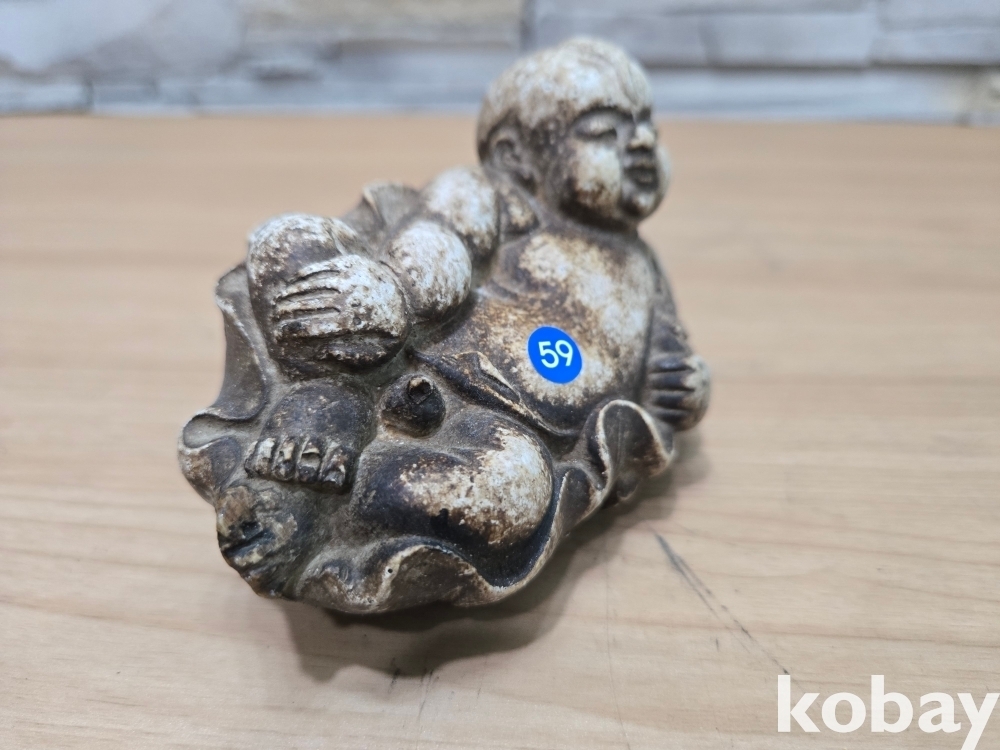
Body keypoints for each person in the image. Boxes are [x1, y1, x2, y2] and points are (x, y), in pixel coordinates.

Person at [182, 37, 710, 612]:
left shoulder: (643, 266)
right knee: (289, 240)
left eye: (647, 127)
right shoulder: (492, 195)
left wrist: (685, 388)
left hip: (499, 431)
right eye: (604, 131)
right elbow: (442, 240)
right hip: (414, 357)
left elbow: (668, 357)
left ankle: (336, 484)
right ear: (515, 156)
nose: (640, 143)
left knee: (510, 489)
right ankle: (324, 408)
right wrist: (397, 292)